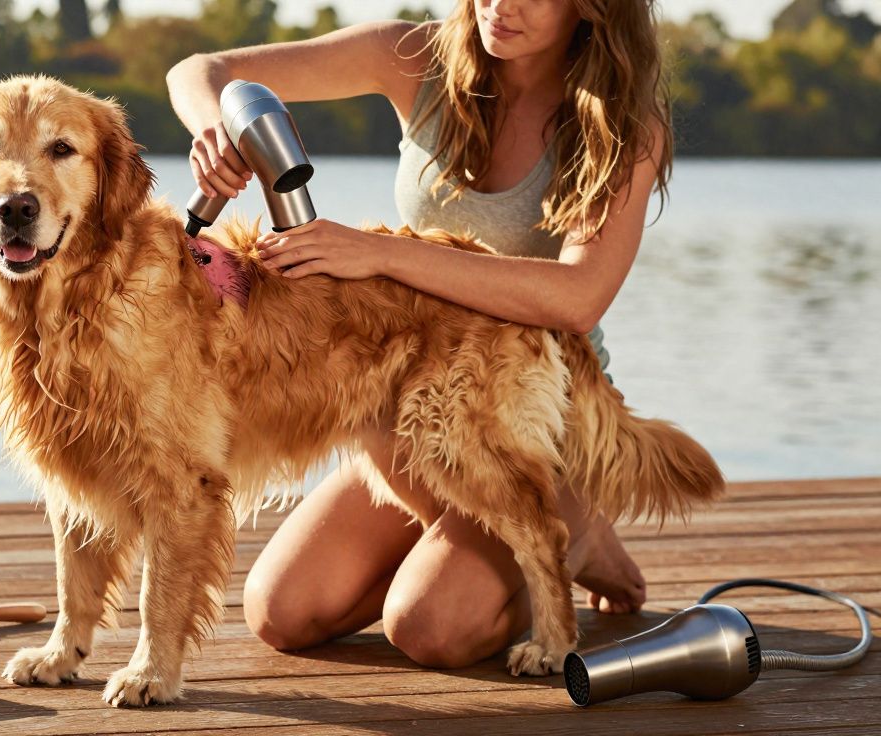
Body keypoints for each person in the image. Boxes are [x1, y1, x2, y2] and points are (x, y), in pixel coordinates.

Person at [165, 0, 667, 669]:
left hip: (539, 412)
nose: (500, 4)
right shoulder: (415, 58)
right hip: (414, 396)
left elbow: (576, 298)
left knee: (432, 626)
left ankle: (571, 529)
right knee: (282, 611)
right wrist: (215, 131)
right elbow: (203, 69)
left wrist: (381, 254)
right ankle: (488, 533)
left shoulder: (621, 123)